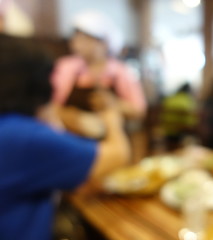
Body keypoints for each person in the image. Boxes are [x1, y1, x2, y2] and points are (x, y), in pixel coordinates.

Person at [0, 34, 130, 240]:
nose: (77, 44)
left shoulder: (120, 71)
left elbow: (138, 107)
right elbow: (117, 155)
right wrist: (110, 118)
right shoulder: (19, 136)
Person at [52, 10, 146, 138]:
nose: (76, 43)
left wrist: (114, 104)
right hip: (71, 139)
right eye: (76, 37)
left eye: (84, 38)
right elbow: (52, 104)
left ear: (104, 43)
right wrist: (75, 118)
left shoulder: (120, 71)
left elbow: (138, 110)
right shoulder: (66, 67)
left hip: (111, 141)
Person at [159, 83, 198, 149]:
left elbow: (162, 115)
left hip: (167, 133)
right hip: (181, 134)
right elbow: (192, 122)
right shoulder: (188, 100)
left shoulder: (170, 98)